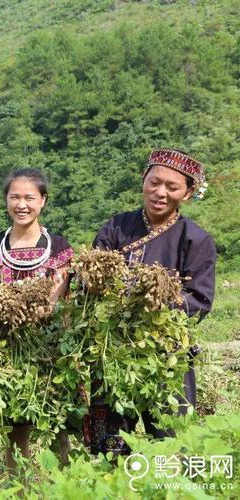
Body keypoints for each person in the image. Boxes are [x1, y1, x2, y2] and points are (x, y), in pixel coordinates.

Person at [85, 148, 216, 454]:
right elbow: (90, 278)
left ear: (188, 193)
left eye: (172, 187)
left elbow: (199, 299)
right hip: (113, 355)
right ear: (143, 180)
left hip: (166, 360)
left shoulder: (195, 239)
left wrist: (155, 302)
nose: (160, 193)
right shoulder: (116, 227)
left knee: (173, 445)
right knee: (110, 448)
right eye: (154, 182)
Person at [0, 168, 73, 470]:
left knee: (59, 425)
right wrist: (5, 313)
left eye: (29, 197)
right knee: (16, 430)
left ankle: (61, 488)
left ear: (43, 201)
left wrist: (49, 309)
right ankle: (19, 489)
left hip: (52, 349)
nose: (22, 204)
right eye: (15, 197)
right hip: (6, 350)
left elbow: (68, 297)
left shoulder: (61, 248)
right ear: (6, 201)